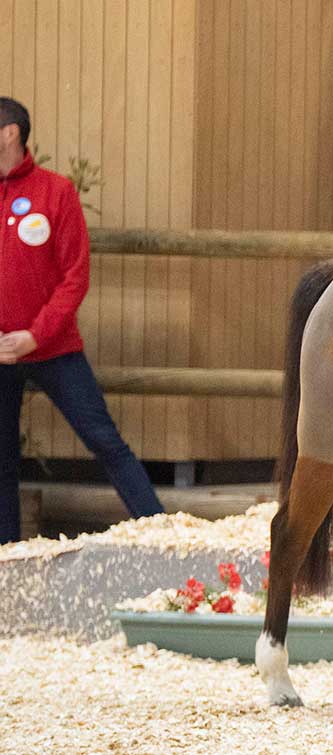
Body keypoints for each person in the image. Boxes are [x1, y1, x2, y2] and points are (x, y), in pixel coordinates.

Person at [0, 96, 164, 542]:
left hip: (53, 348)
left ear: (10, 133)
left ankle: (161, 532)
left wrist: (34, 336)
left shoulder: (56, 191)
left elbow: (75, 276)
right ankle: (7, 557)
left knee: (104, 440)